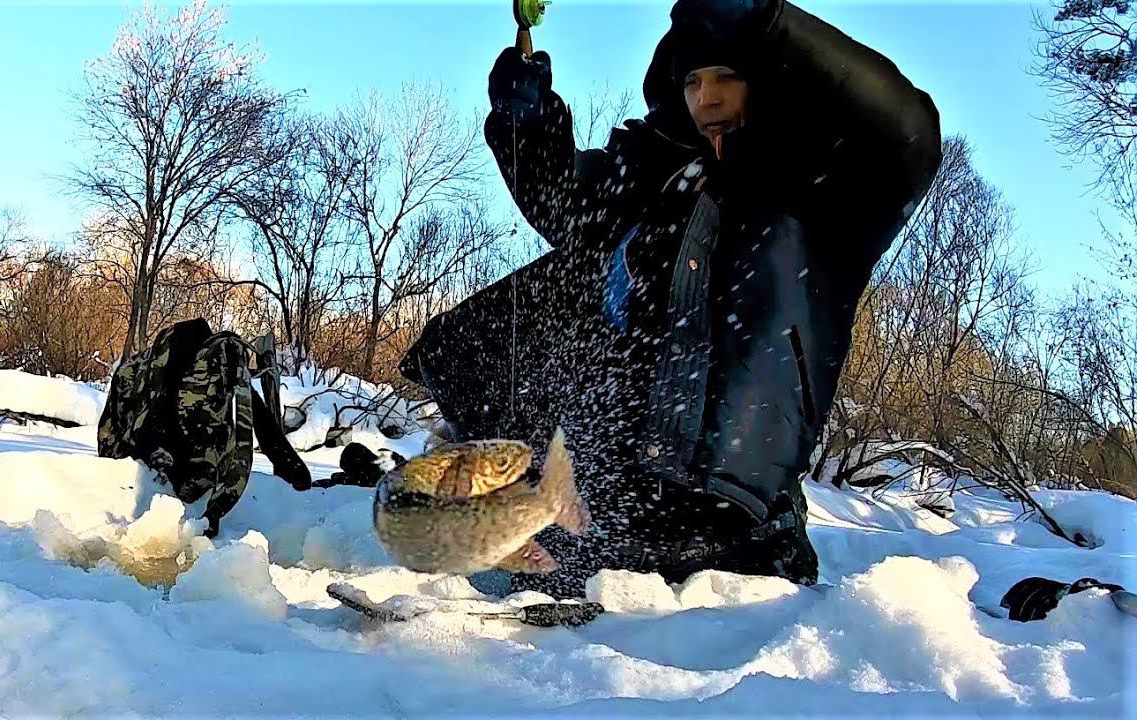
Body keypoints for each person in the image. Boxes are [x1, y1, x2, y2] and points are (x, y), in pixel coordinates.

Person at [398, 0, 942, 598]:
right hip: (594, 530)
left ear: (771, 79)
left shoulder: (820, 194)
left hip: (729, 548)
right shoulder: (655, 178)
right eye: (692, 81)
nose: (706, 99)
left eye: (727, 78)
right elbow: (567, 206)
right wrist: (527, 127)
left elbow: (905, 131)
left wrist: (766, 21)